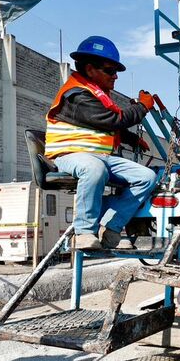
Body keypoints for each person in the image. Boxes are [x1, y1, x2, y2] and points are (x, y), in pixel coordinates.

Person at [45, 35, 157, 250]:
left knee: (146, 177)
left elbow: (103, 125)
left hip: (101, 157)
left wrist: (132, 138)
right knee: (93, 169)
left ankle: (112, 226)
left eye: (116, 72)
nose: (115, 76)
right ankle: (85, 232)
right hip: (71, 155)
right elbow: (113, 120)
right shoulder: (77, 95)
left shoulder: (96, 95)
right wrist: (143, 107)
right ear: (89, 69)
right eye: (109, 70)